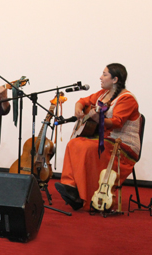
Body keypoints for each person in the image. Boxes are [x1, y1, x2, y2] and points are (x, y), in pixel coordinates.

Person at [55, 63, 141, 211]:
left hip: (122, 144)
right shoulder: (103, 94)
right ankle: (71, 187)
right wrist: (78, 109)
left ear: (115, 79)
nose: (100, 77)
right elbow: (82, 101)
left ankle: (84, 195)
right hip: (104, 139)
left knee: (86, 147)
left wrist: (98, 119)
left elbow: (117, 123)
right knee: (74, 143)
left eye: (104, 74)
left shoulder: (127, 99)